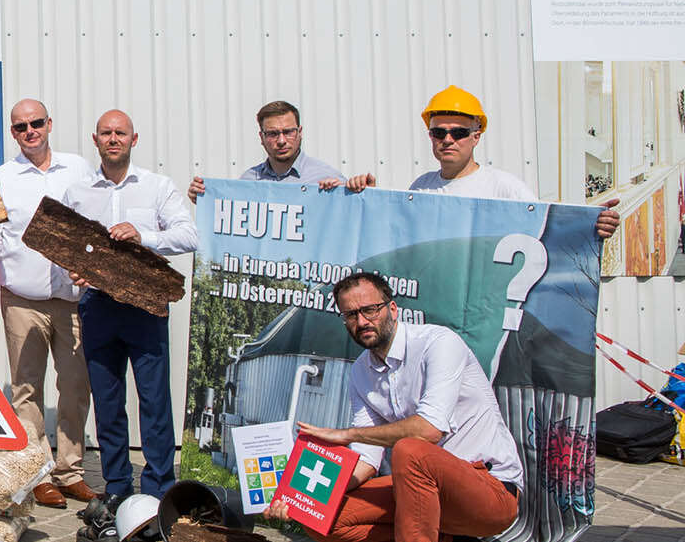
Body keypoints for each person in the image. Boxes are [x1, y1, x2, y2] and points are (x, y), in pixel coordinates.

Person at [264, 272, 523, 542]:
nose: (362, 321)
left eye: (370, 310)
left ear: (392, 308)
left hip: (490, 490)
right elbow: (366, 461)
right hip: (419, 495)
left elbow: (428, 430)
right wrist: (301, 498)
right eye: (351, 315)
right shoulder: (361, 373)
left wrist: (348, 434)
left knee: (410, 450)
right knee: (321, 518)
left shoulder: (438, 343)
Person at [63, 109, 197, 503]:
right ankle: (118, 488)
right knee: (107, 403)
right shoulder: (79, 192)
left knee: (155, 401)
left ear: (134, 140)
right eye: (106, 133)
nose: (113, 139)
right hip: (97, 306)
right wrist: (76, 269)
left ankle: (159, 488)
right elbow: (71, 248)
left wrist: (144, 236)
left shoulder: (157, 187)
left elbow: (188, 235)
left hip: (146, 306)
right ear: (95, 139)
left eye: (121, 133)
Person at [0, 98, 97, 507]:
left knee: (76, 387)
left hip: (73, 299)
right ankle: (37, 474)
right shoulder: (0, 177)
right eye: (20, 126)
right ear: (13, 132)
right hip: (22, 299)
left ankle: (70, 471)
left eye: (36, 123)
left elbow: (95, 226)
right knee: (26, 389)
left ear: (49, 123)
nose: (30, 131)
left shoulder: (80, 169)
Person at [342, 85, 620, 238]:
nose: (448, 139)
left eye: (459, 132)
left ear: (476, 137)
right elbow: (397, 234)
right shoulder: (420, 187)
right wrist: (365, 195)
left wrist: (590, 224)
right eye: (439, 132)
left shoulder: (504, 187)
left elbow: (545, 231)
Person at [188, 100, 344, 202]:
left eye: (288, 132)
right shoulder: (248, 181)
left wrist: (342, 195)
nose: (281, 141)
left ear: (300, 132)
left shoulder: (327, 179)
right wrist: (204, 199)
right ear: (261, 137)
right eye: (273, 134)